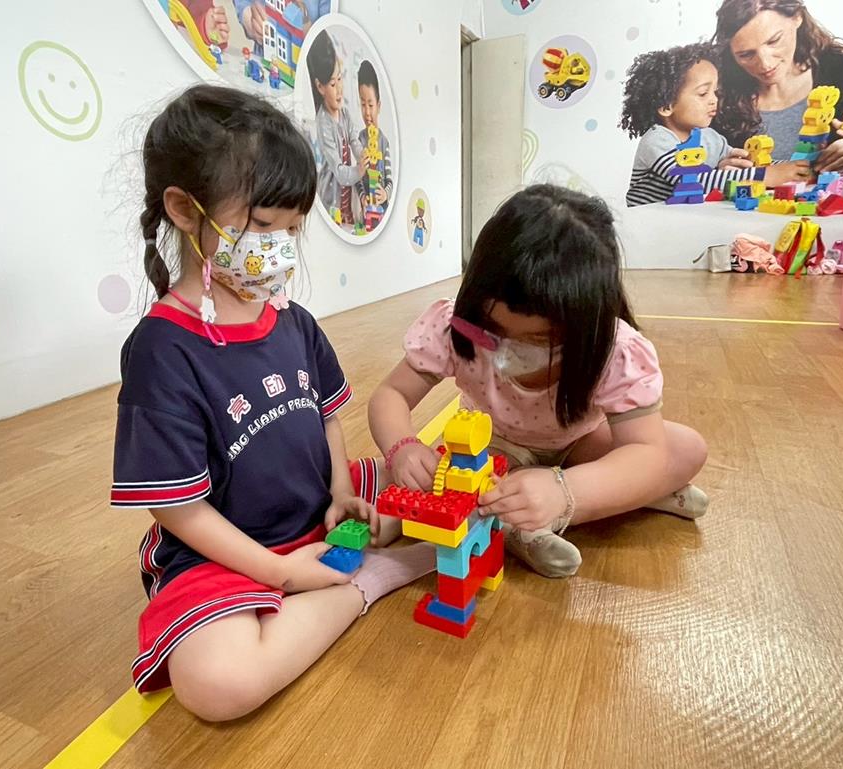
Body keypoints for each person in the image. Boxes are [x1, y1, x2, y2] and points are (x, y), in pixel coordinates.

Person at [112, 85, 433, 721]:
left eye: (292, 228)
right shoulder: (161, 350)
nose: (281, 245)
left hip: (319, 512)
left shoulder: (293, 320)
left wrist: (342, 492)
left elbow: (328, 419)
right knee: (217, 684)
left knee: (427, 475)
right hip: (230, 550)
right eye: (263, 227)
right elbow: (179, 509)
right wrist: (280, 573)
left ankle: (356, 554)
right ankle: (371, 578)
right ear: (184, 209)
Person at [369, 185, 709, 579]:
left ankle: (529, 514)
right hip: (493, 447)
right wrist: (402, 447)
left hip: (578, 443)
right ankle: (525, 517)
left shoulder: (613, 349)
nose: (507, 352)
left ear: (587, 324)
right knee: (454, 480)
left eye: (538, 341)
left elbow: (646, 451)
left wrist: (564, 491)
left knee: (685, 449)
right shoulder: (452, 327)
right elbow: (391, 394)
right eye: (492, 329)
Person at [621, 42, 810, 206]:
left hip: (686, 220)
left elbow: (749, 163)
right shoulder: (657, 141)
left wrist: (796, 168)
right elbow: (690, 180)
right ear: (666, 106)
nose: (714, 100)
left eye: (715, 92)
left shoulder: (710, 138)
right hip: (648, 222)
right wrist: (764, 175)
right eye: (703, 94)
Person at [711, 0, 843, 170]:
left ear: (797, 17)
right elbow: (702, 161)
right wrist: (718, 171)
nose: (765, 64)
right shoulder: (715, 92)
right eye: (746, 55)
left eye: (774, 41)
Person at [306, 29, 365, 226]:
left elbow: (354, 139)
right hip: (332, 199)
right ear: (320, 87)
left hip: (347, 197)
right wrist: (359, 171)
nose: (339, 89)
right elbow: (339, 172)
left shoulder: (344, 113)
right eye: (332, 84)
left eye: (340, 79)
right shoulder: (324, 123)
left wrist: (363, 155)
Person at [356, 60, 393, 220]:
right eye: (363, 104)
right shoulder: (360, 139)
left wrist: (385, 194)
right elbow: (357, 178)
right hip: (366, 211)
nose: (367, 112)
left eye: (370, 105)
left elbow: (390, 180)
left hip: (382, 212)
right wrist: (362, 196)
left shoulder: (384, 142)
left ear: (378, 106)